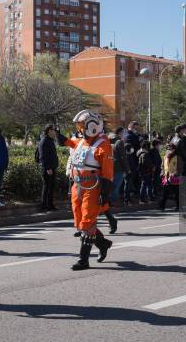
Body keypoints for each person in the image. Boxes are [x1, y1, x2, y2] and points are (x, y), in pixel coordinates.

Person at [58, 110, 114, 270]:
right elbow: (74, 144)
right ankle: (103, 243)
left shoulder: (103, 143)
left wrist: (105, 193)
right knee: (80, 221)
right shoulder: (83, 141)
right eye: (79, 126)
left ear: (93, 126)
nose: (80, 129)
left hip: (92, 185)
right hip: (78, 185)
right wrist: (61, 138)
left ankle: (83, 260)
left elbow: (108, 171)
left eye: (82, 126)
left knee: (88, 220)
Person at [38, 124, 58, 211]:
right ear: (49, 131)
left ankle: (50, 205)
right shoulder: (44, 141)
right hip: (47, 168)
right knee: (47, 187)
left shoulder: (50, 140)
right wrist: (48, 168)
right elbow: (43, 156)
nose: (54, 132)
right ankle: (44, 206)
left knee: (51, 187)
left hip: (52, 167)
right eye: (53, 130)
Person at [159, 141, 182, 211]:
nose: (169, 150)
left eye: (170, 149)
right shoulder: (165, 157)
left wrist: (175, 174)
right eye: (168, 149)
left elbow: (180, 168)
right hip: (166, 177)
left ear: (174, 149)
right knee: (164, 193)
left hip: (175, 177)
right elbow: (162, 166)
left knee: (176, 193)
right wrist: (162, 173)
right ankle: (162, 207)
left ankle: (178, 206)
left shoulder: (177, 157)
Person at [123, 121, 141, 203]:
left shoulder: (126, 134)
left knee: (130, 179)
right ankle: (129, 196)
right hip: (132, 159)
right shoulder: (130, 136)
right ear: (132, 127)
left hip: (131, 158)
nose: (136, 130)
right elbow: (134, 147)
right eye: (136, 128)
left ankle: (130, 195)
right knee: (130, 179)